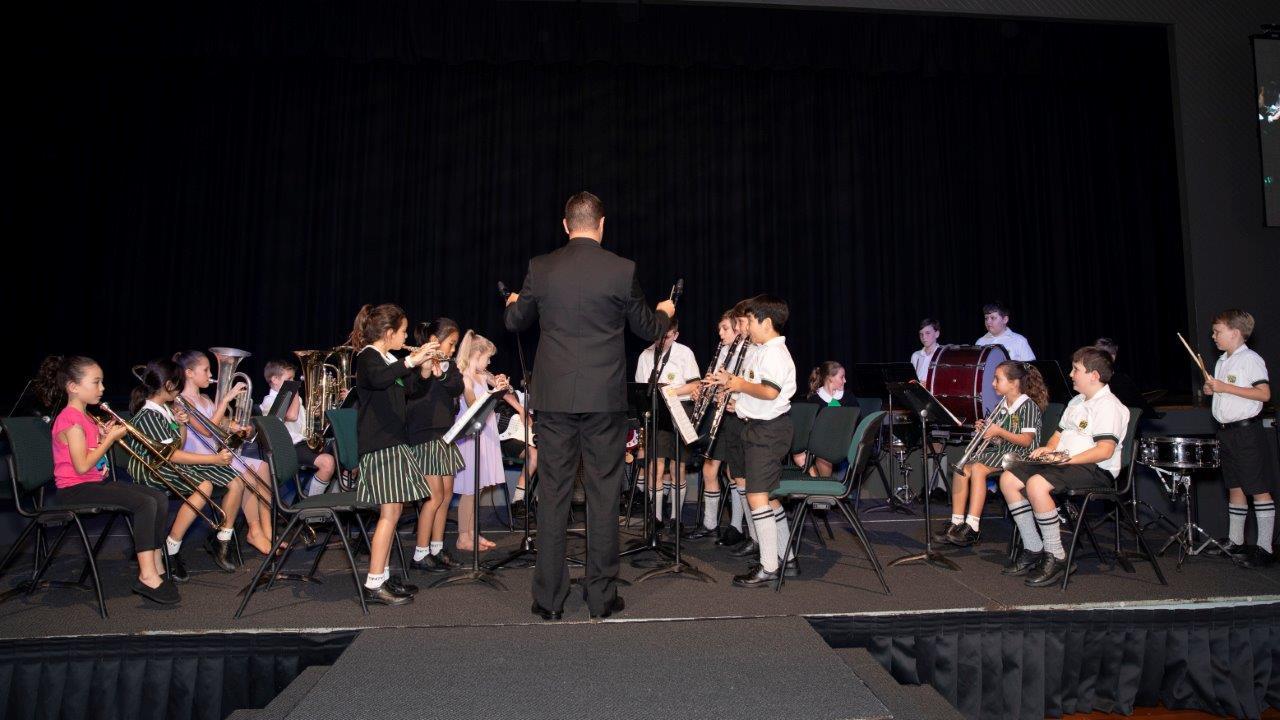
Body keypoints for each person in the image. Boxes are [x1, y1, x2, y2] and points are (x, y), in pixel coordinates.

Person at [504, 190, 674, 620]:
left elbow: (514, 322)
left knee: (553, 495)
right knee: (603, 495)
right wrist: (665, 311)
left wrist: (514, 303)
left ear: (566, 225)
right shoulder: (621, 269)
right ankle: (601, 598)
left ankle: (549, 601)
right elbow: (648, 328)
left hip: (555, 399)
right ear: (601, 224)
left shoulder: (541, 267)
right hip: (603, 400)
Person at [37, 355, 179, 604]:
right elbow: (82, 466)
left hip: (92, 483)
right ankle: (146, 575)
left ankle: (156, 564)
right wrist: (109, 440)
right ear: (73, 387)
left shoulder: (86, 417)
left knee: (157, 497)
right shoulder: (70, 420)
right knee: (144, 503)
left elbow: (91, 457)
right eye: (96, 382)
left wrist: (102, 436)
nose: (102, 388)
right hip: (75, 489)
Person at [998, 347, 1128, 587]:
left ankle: (1056, 554)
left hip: (1095, 469)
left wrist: (1066, 459)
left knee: (1036, 485)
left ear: (1094, 376)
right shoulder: (1076, 401)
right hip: (1066, 463)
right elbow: (1058, 435)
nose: (1070, 374)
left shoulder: (1108, 406)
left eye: (1076, 370)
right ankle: (1033, 547)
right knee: (1008, 479)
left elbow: (1104, 450)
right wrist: (1048, 449)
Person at [348, 303, 437, 605]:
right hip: (379, 446)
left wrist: (425, 368)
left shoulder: (388, 359)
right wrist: (412, 360)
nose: (405, 337)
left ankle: (382, 577)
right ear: (388, 333)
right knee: (388, 514)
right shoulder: (368, 358)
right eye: (403, 332)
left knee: (395, 512)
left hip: (394, 443)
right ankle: (373, 583)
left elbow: (409, 390)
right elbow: (380, 379)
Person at [709, 294, 797, 588]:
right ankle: (787, 558)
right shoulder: (763, 351)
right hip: (761, 427)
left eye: (748, 321)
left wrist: (738, 384)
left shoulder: (773, 353)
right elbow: (760, 395)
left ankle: (768, 566)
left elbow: (770, 392)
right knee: (767, 496)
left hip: (768, 431)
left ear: (766, 322)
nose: (745, 327)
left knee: (757, 496)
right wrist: (739, 404)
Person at [933, 361, 1047, 547]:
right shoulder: (1002, 405)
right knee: (962, 469)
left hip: (1022, 455)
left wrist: (998, 431)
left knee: (978, 468)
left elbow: (1026, 440)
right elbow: (1000, 440)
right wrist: (988, 431)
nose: (993, 384)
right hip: (1004, 451)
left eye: (997, 379)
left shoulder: (1027, 406)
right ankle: (956, 522)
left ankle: (973, 526)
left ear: (1013, 383)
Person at [1203, 309, 1273, 567]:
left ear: (1235, 332)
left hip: (1246, 433)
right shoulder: (1223, 361)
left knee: (1258, 488)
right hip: (1226, 432)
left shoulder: (1250, 359)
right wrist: (1212, 390)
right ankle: (1236, 541)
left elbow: (1264, 394)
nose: (1213, 336)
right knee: (1235, 486)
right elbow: (1227, 393)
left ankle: (1265, 548)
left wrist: (1224, 387)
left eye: (1217, 332)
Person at [911, 319, 942, 383]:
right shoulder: (916, 355)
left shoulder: (942, 355)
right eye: (921, 334)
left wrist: (927, 384)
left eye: (927, 333)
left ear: (937, 334)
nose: (924, 337)